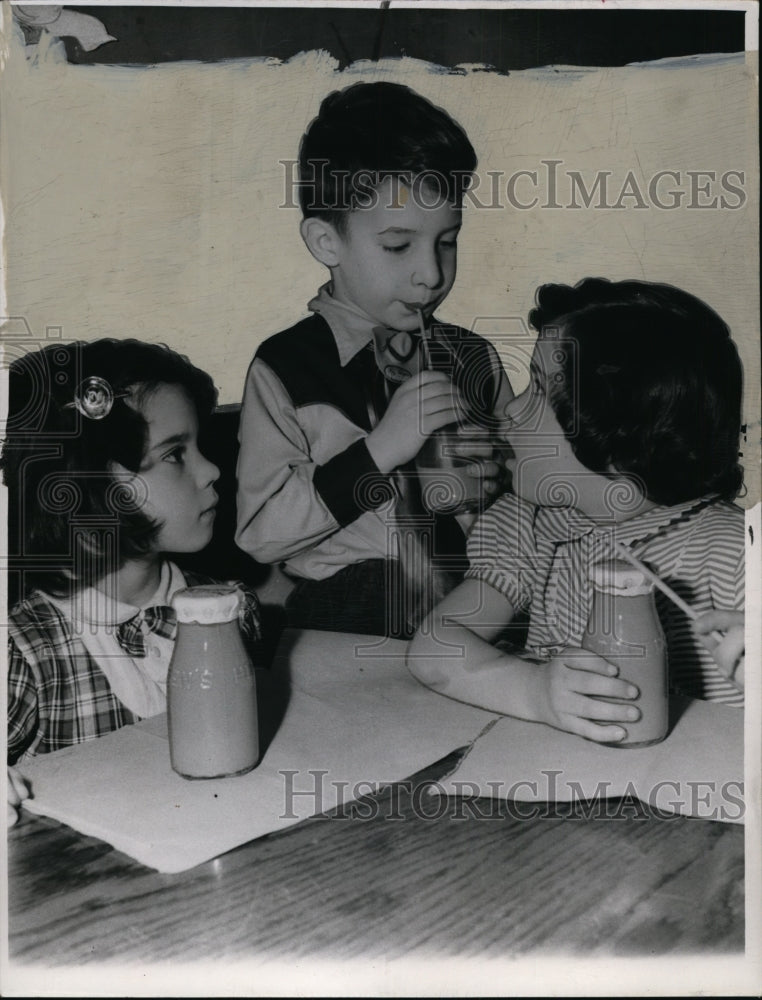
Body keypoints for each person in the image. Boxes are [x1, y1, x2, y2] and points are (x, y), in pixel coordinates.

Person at [407, 278, 745, 743]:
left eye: (538, 389)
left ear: (617, 432)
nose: (509, 412)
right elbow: (434, 646)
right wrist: (534, 692)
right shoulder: (526, 527)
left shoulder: (732, 551)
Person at [236, 81, 513, 638]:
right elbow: (260, 533)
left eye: (448, 241)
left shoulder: (472, 357)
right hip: (353, 601)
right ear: (326, 242)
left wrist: (494, 483)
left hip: (476, 594)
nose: (431, 275)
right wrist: (379, 452)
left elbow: (530, 484)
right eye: (397, 246)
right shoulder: (284, 366)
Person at [4, 339, 262, 823]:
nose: (211, 470)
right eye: (174, 455)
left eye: (199, 448)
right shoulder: (25, 649)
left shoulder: (233, 609)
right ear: (90, 485)